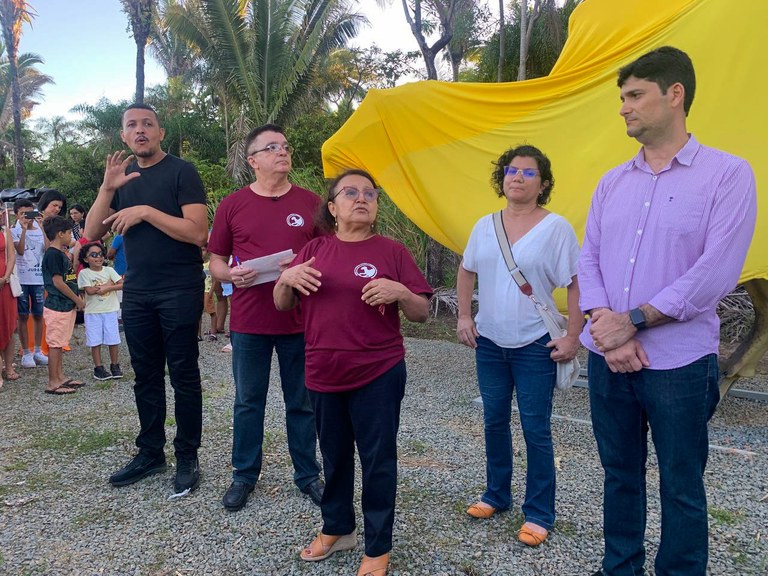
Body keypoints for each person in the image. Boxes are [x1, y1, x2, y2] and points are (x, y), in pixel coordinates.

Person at [578, 47, 757, 576]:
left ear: (675, 94)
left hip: (679, 364)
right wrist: (606, 325)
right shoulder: (612, 182)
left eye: (635, 95)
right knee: (619, 476)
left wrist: (632, 321)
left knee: (681, 484)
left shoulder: (728, 175)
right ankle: (621, 567)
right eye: (622, 97)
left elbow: (715, 271)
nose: (624, 108)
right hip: (607, 357)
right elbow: (589, 258)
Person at [275, 169, 432, 576]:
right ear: (332, 207)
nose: (361, 198)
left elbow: (421, 311)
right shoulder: (314, 250)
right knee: (334, 455)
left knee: (378, 460)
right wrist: (286, 279)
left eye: (369, 193)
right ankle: (338, 528)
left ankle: (378, 547)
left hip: (378, 371)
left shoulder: (392, 252)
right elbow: (282, 303)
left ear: (376, 205)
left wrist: (401, 292)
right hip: (323, 370)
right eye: (350, 192)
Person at [456, 145, 581, 547]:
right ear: (502, 178)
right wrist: (464, 316)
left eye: (529, 173)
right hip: (490, 341)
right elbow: (466, 270)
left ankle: (539, 512)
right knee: (494, 420)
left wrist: (573, 336)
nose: (518, 178)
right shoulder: (485, 225)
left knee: (535, 427)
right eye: (512, 170)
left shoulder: (556, 228)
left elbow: (576, 284)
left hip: (536, 343)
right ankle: (496, 494)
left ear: (543, 184)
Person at [86, 103, 208, 494]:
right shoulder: (121, 180)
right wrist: (108, 188)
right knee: (146, 375)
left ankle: (187, 455)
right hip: (137, 290)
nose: (140, 130)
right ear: (124, 136)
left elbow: (198, 233)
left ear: (160, 132)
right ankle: (151, 452)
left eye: (147, 124)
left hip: (179, 287)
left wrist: (145, 211)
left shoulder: (182, 171)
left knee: (184, 374)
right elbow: (91, 233)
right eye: (132, 125)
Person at [207, 123, 324, 511]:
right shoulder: (232, 205)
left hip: (300, 321)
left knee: (301, 402)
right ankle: (244, 475)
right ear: (253, 160)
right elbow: (216, 261)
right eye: (272, 147)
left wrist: (306, 266)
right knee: (248, 401)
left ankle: (307, 475)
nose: (283, 152)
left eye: (285, 146)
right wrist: (230, 275)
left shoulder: (310, 203)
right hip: (249, 321)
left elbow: (329, 252)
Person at [41, 216, 85, 395]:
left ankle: (60, 376)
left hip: (65, 305)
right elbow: (58, 282)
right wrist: (77, 299)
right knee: (55, 344)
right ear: (60, 234)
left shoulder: (60, 253)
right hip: (57, 305)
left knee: (60, 343)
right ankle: (53, 382)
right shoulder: (52, 254)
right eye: (68, 233)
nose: (70, 236)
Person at [77, 241, 123, 380]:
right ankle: (98, 367)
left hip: (110, 310)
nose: (98, 257)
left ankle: (115, 365)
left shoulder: (109, 270)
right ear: (85, 259)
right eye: (93, 255)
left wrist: (108, 287)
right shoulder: (84, 273)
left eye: (101, 254)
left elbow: (122, 284)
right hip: (93, 312)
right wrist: (109, 284)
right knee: (95, 340)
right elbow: (90, 290)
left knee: (113, 339)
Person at [11, 199, 48, 368]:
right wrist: (24, 229)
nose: (28, 217)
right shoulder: (14, 231)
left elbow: (48, 248)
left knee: (39, 314)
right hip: (22, 279)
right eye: (23, 214)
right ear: (17, 215)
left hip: (38, 278)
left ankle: (38, 351)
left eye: (30, 213)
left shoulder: (40, 230)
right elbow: (20, 250)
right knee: (23, 315)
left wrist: (42, 227)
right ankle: (26, 352)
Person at [1, 206, 19, 387]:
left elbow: (12, 257)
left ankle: (8, 366)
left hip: (5, 283)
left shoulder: (5, 230)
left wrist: (5, 277)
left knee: (8, 324)